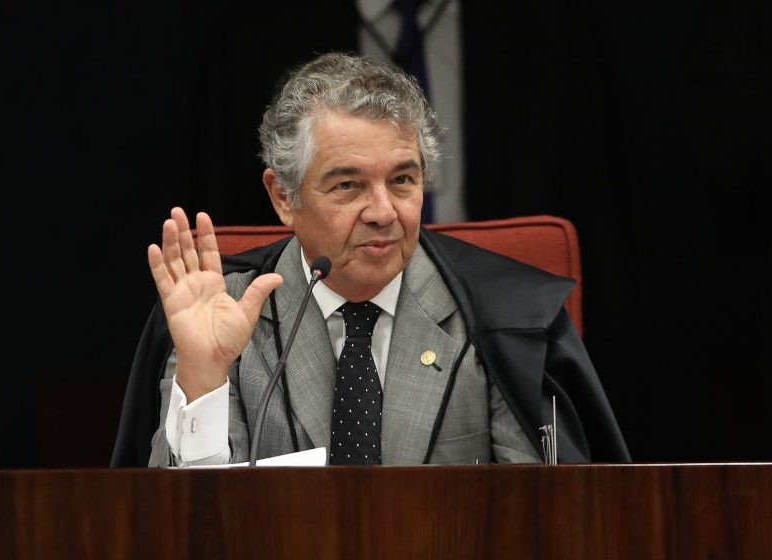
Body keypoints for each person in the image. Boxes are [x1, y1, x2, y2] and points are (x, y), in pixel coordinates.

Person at [111, 52, 629, 467]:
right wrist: (204, 377)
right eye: (348, 185)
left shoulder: (502, 317)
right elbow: (192, 530)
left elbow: (547, 523)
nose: (384, 212)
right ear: (283, 196)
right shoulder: (225, 310)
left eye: (403, 180)